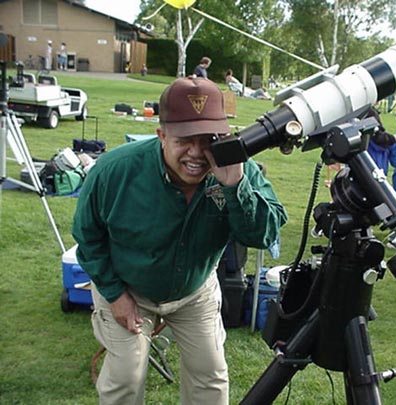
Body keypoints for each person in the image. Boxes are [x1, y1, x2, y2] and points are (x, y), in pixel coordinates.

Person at [72, 77, 288, 404]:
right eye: (184, 139)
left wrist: (235, 187)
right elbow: (87, 236)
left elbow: (263, 235)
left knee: (211, 378)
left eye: (208, 139)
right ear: (161, 135)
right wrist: (115, 295)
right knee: (125, 379)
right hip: (128, 287)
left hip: (194, 292)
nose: (198, 153)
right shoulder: (115, 170)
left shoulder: (235, 167)